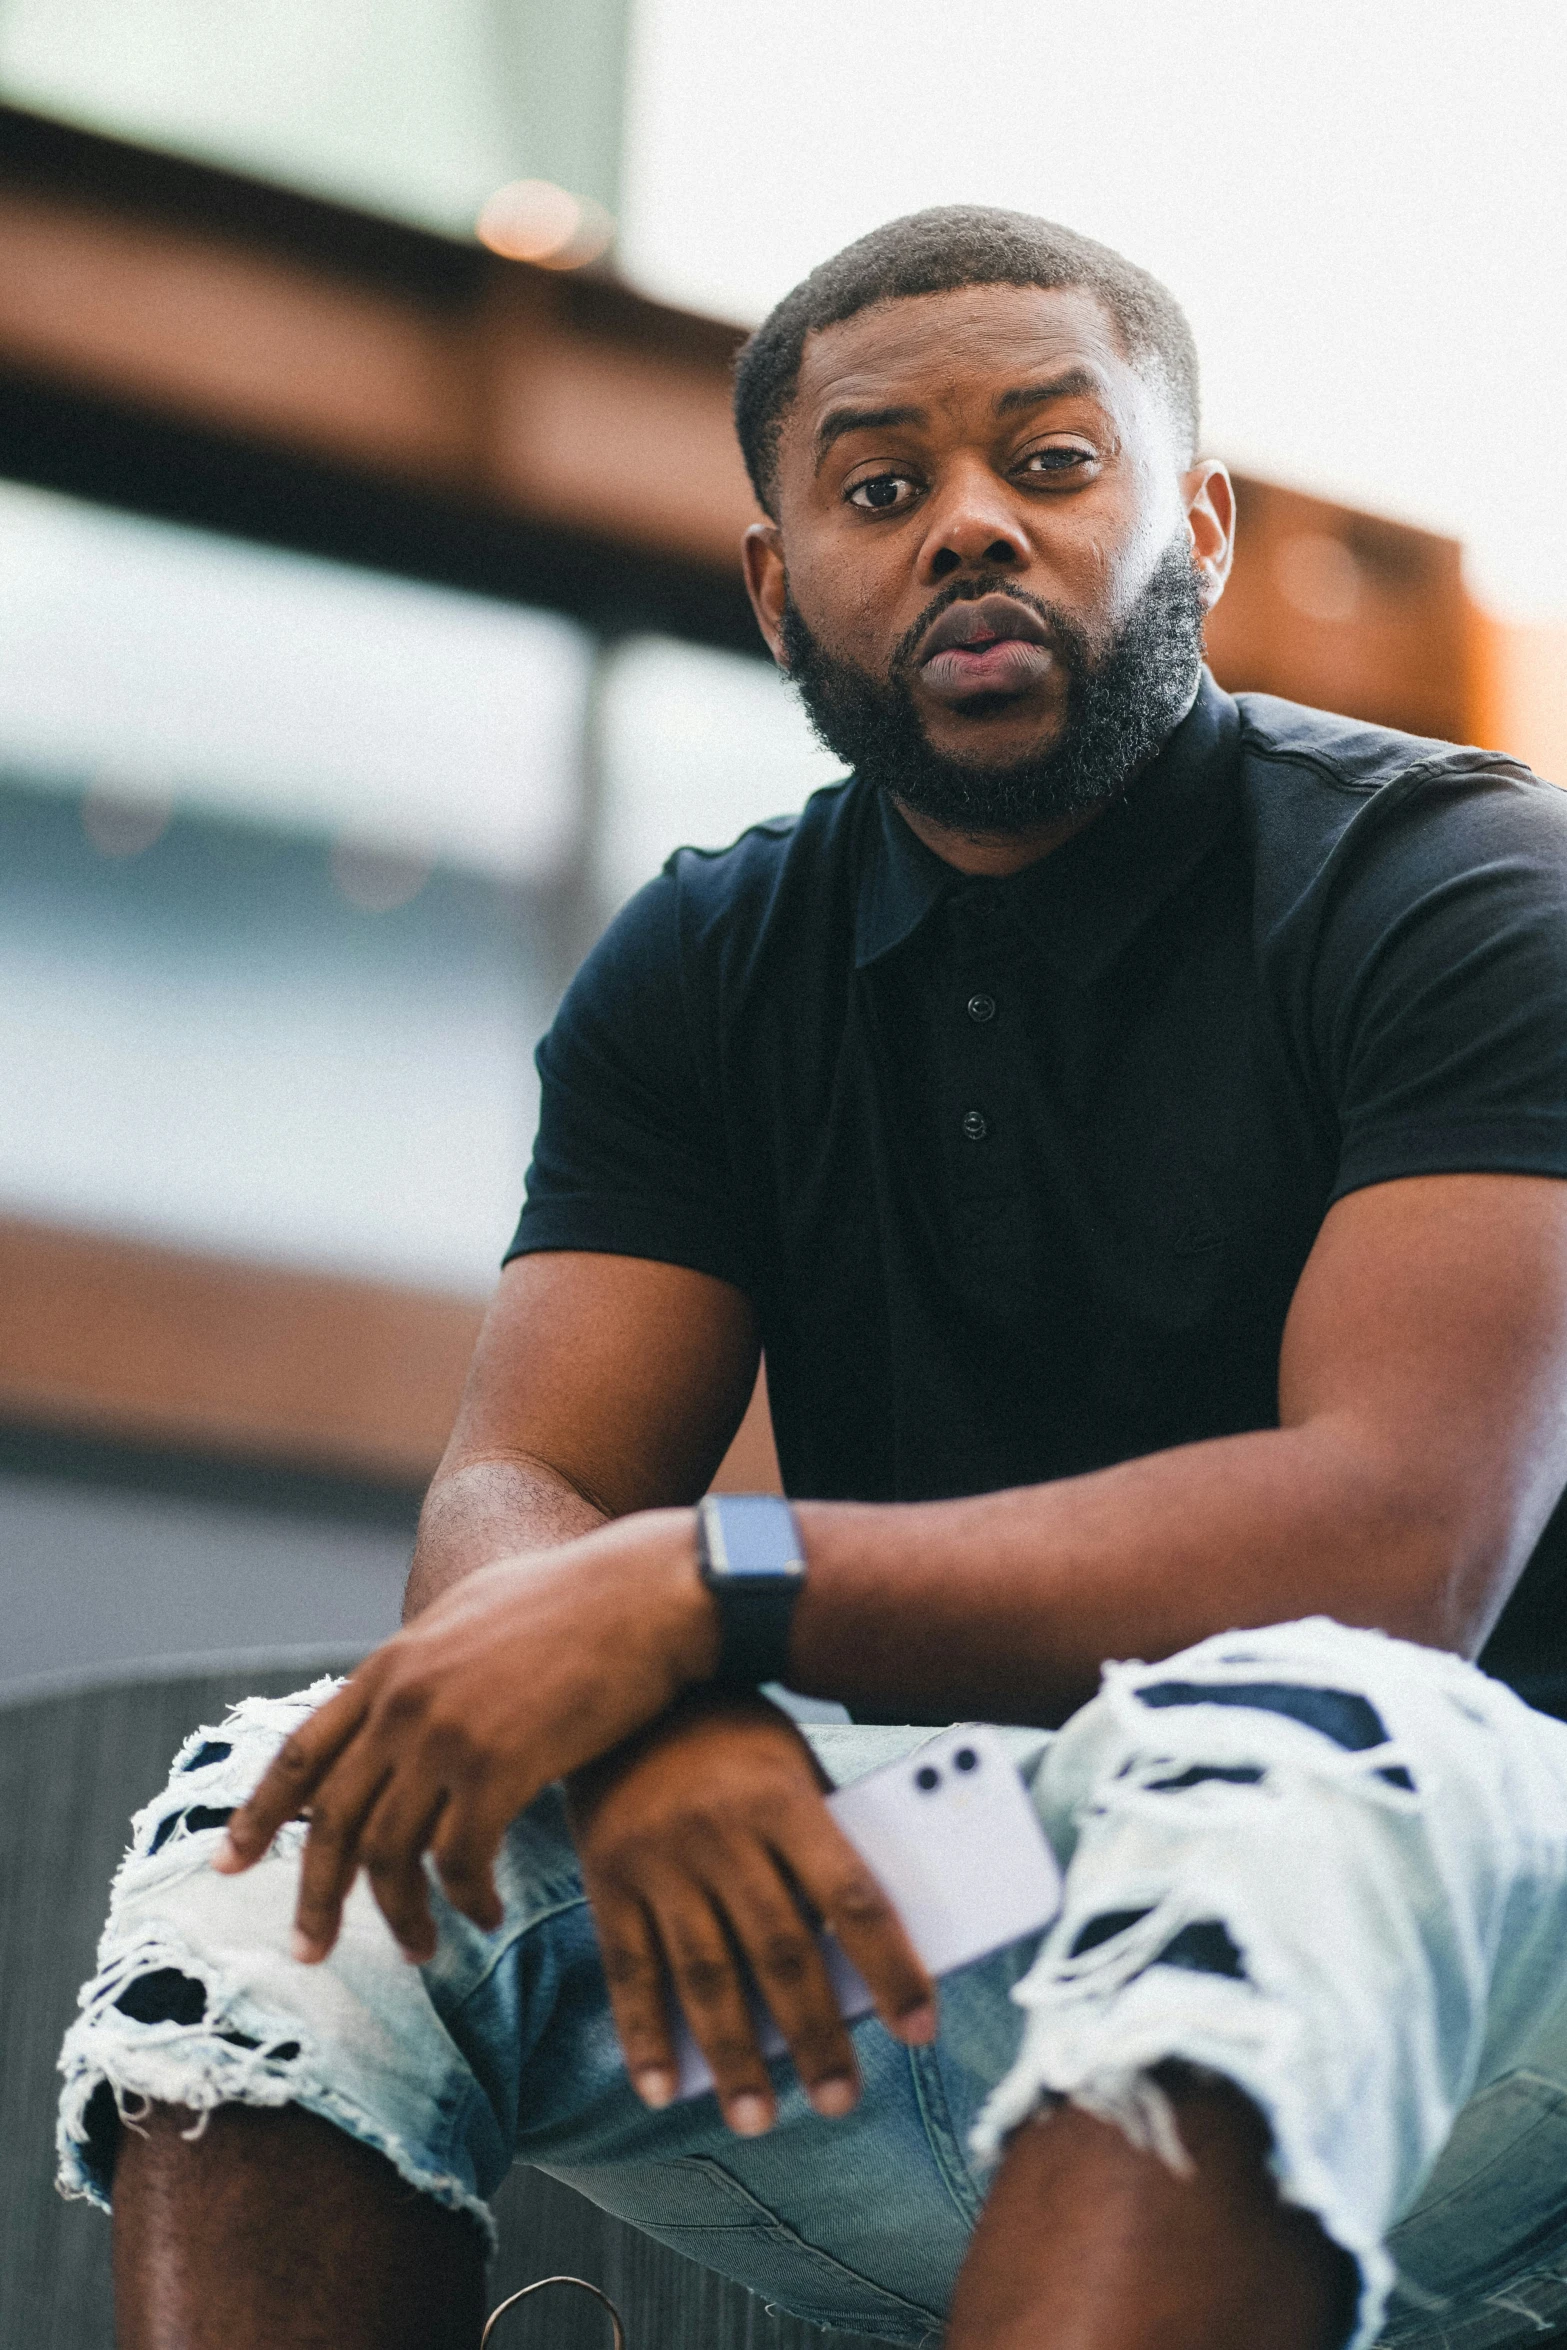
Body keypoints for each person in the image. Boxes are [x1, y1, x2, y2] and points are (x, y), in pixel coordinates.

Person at [59, 206, 1567, 2350]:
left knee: (1278, 1734)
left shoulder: (1455, 885)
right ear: (780, 580)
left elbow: (1393, 1548)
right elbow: (513, 1497)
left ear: (1199, 523)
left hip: (1485, 1944)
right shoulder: (706, 960)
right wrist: (669, 1728)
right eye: (882, 487)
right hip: (990, 1880)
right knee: (285, 1820)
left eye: (1053, 462)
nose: (970, 527)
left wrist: (708, 1593)